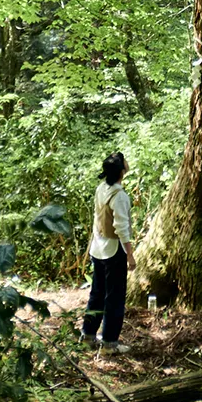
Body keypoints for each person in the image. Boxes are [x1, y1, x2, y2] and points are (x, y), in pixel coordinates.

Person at [83, 151, 134, 352]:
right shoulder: (119, 196)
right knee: (114, 298)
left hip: (98, 248)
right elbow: (121, 228)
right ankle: (109, 343)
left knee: (97, 293)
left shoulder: (101, 189)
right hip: (113, 251)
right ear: (122, 171)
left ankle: (88, 336)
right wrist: (130, 254)